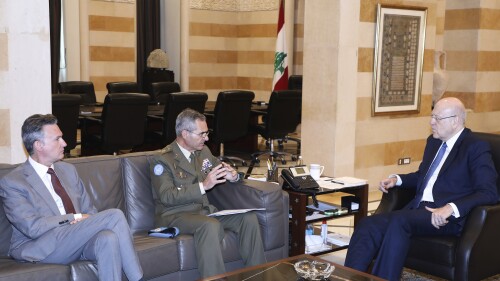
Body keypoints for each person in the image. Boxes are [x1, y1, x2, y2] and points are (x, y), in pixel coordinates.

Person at [344, 97, 498, 281]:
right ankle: (348, 278)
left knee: (399, 222)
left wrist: (451, 207)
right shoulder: (433, 142)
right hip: (417, 210)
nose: (431, 122)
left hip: (443, 217)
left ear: (455, 120)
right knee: (367, 224)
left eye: (437, 118)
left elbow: (489, 192)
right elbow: (423, 176)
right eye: (432, 116)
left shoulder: (475, 147)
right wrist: (398, 179)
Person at [0, 114, 144, 281]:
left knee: (108, 238)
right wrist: (73, 218)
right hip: (42, 246)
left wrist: (81, 222)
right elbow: (32, 227)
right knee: (114, 215)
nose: (65, 143)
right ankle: (138, 278)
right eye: (58, 139)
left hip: (76, 240)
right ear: (39, 145)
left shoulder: (68, 171)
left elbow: (89, 211)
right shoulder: (13, 182)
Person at [149, 108, 266, 278]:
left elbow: (219, 168)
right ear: (185, 134)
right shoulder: (162, 159)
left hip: (203, 212)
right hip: (174, 215)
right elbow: (167, 196)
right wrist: (203, 186)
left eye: (207, 133)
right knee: (210, 225)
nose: (207, 138)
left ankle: (257, 276)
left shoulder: (203, 152)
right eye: (202, 134)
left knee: (248, 218)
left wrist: (232, 175)